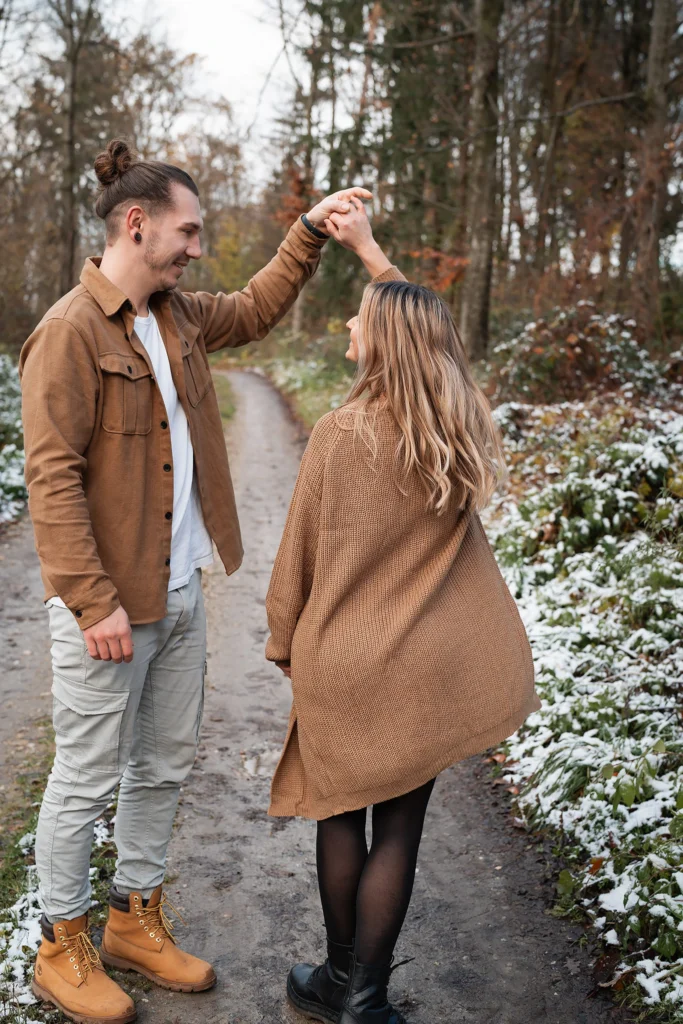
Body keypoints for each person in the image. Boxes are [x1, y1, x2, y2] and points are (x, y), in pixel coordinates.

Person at [19, 137, 377, 1024]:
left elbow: (254, 309)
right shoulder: (67, 332)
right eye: (187, 231)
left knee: (164, 765)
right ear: (135, 225)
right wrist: (91, 599)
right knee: (87, 776)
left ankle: (132, 920)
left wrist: (307, 231)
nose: (194, 247)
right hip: (108, 607)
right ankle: (57, 945)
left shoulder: (177, 316)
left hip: (179, 594)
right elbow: (51, 478)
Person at [265, 199, 541, 1024]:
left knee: (340, 816)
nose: (351, 322)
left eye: (359, 317)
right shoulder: (452, 431)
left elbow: (296, 562)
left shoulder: (339, 434)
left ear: (379, 340)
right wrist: (375, 258)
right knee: (401, 828)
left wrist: (284, 641)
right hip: (421, 667)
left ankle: (334, 977)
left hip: (343, 665)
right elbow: (438, 344)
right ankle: (365, 1000)